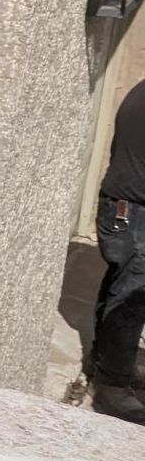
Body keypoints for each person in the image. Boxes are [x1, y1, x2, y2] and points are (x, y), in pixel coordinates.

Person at [91, 79, 145, 424]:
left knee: (120, 286)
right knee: (131, 298)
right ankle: (112, 389)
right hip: (133, 209)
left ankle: (107, 363)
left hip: (126, 206)